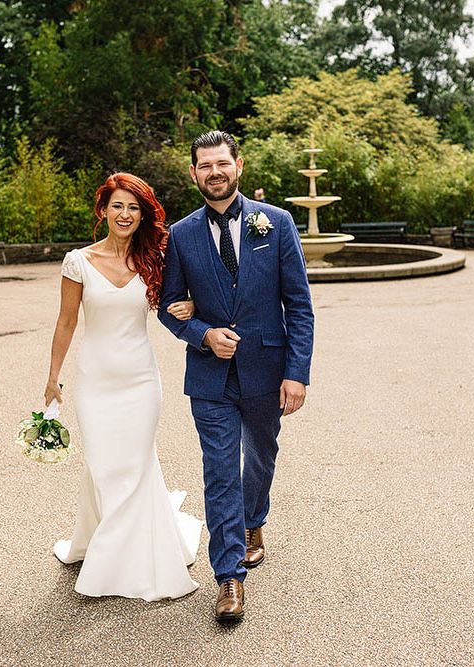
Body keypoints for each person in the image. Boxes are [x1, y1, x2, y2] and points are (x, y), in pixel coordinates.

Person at [157, 131, 314, 622]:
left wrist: (297, 373)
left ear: (238, 166)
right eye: (205, 165)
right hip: (210, 379)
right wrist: (202, 334)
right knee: (220, 471)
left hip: (268, 370)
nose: (214, 172)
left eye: (221, 163)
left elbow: (300, 307)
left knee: (261, 455)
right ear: (193, 174)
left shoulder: (279, 224)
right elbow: (169, 307)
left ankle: (254, 521)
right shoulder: (180, 236)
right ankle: (228, 578)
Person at [45, 172, 203, 602]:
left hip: (140, 381)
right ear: (103, 210)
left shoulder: (155, 258)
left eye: (133, 207)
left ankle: (117, 563)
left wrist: (192, 304)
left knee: (132, 467)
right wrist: (53, 377)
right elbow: (66, 321)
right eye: (118, 205)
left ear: (142, 214)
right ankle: (106, 542)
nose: (125, 214)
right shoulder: (77, 262)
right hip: (95, 382)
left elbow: (188, 295)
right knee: (104, 467)